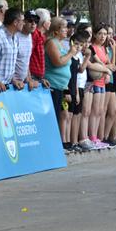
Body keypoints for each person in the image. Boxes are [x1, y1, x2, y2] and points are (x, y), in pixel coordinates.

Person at [45, 17, 77, 147]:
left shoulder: (61, 43)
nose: (67, 30)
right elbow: (58, 62)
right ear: (56, 30)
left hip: (62, 86)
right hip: (53, 84)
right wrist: (70, 53)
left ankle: (58, 142)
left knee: (62, 114)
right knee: (54, 116)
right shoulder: (51, 42)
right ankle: (51, 145)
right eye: (64, 28)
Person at [0, 7, 24, 92]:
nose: (24, 23)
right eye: (22, 20)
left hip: (6, 87)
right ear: (15, 22)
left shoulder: (15, 37)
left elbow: (10, 64)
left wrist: (13, 80)